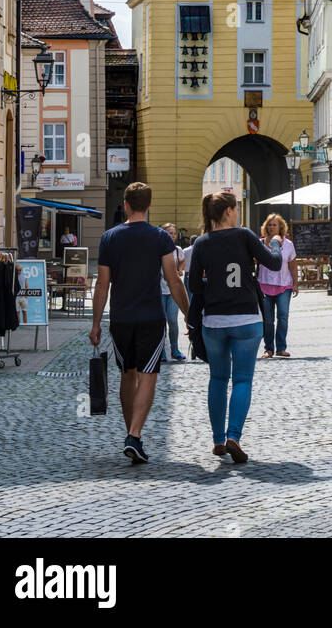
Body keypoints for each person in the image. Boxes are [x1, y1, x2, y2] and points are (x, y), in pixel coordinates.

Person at [89, 181, 189, 464]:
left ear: (126, 205)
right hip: (151, 318)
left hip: (121, 318)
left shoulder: (109, 238)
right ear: (149, 205)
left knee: (127, 374)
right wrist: (189, 315)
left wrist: (96, 324)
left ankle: (132, 434)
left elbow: (102, 286)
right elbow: (173, 279)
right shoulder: (161, 238)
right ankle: (134, 435)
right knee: (148, 375)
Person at [188, 191, 282, 463]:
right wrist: (275, 242)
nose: (238, 213)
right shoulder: (245, 236)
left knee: (217, 379)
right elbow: (273, 263)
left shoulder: (202, 242)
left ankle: (217, 440)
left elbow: (194, 286)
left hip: (214, 320)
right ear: (228, 211)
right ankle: (233, 436)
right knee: (242, 380)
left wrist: (213, 284)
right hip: (246, 319)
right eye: (237, 208)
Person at [256, 214, 298, 358]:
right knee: (267, 320)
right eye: (270, 224)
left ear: (281, 227)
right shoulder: (260, 244)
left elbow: (292, 265)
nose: (272, 227)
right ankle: (268, 349)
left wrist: (296, 283)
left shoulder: (288, 245)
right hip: (264, 286)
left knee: (283, 316)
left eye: (275, 225)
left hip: (284, 286)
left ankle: (281, 347)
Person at [160, 223, 186, 362]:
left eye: (174, 233)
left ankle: (175, 349)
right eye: (169, 233)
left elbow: (182, 261)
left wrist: (180, 269)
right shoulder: (156, 249)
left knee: (173, 321)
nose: (172, 236)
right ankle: (161, 351)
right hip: (159, 290)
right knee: (161, 321)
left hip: (172, 291)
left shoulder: (177, 250)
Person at [182, 235, 198, 303]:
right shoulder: (200, 249)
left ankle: (189, 307)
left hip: (188, 272)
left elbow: (182, 262)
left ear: (190, 241)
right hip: (197, 272)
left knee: (188, 292)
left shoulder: (185, 250)